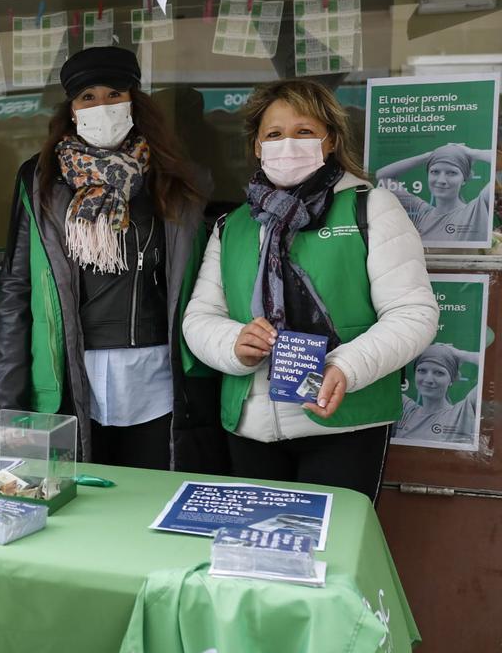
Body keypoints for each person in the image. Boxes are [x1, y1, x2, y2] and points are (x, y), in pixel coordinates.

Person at [182, 79, 439, 501]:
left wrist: (344, 367)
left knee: (329, 556)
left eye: (304, 132)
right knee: (257, 557)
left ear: (331, 140)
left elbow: (414, 314)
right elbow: (199, 317)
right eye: (274, 134)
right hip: (250, 424)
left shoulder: (369, 207)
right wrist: (233, 344)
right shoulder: (233, 226)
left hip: (344, 423)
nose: (288, 144)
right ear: (257, 147)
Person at [0, 46, 221, 470]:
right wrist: (10, 401)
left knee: (149, 503)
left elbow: (205, 284)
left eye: (114, 94)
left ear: (135, 101)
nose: (102, 106)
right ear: (72, 109)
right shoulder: (41, 180)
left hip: (158, 378)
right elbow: (16, 289)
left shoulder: (176, 180)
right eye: (88, 97)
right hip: (68, 376)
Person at [377, 142, 496, 244]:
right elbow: (382, 176)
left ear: (464, 179)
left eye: (451, 173)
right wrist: (428, 156)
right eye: (435, 172)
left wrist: (472, 153)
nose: (441, 180)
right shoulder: (422, 213)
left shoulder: (476, 209)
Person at [395, 343, 480, 445]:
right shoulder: (404, 409)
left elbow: (492, 366)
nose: (428, 379)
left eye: (439, 373)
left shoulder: (462, 413)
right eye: (422, 370)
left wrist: (461, 354)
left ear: (451, 379)